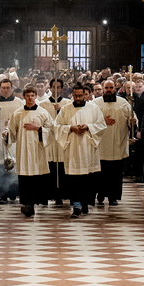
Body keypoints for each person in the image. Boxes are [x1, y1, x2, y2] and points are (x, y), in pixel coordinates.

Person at [54, 83, 106, 218]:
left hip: (88, 148)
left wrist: (88, 127)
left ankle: (85, 204)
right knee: (74, 179)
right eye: (75, 96)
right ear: (72, 95)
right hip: (72, 148)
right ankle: (76, 206)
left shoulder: (93, 108)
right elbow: (57, 126)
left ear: (85, 95)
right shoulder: (65, 109)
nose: (78, 98)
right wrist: (71, 128)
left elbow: (101, 125)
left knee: (87, 179)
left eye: (80, 95)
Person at [5, 85, 54, 217]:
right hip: (24, 150)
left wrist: (39, 129)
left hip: (38, 150)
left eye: (33, 95)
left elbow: (51, 130)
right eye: (28, 96)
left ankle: (35, 202)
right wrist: (6, 133)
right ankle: (27, 204)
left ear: (36, 96)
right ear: (24, 97)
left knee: (37, 178)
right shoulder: (18, 113)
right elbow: (11, 130)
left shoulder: (43, 112)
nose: (30, 98)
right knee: (25, 178)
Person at [94, 79, 135, 207]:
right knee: (101, 172)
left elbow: (131, 118)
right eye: (106, 88)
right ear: (103, 89)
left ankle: (113, 197)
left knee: (116, 173)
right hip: (102, 144)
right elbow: (90, 120)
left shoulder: (124, 103)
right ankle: (100, 194)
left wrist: (133, 122)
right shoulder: (95, 103)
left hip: (118, 143)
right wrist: (102, 121)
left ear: (115, 89)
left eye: (111, 88)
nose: (109, 90)